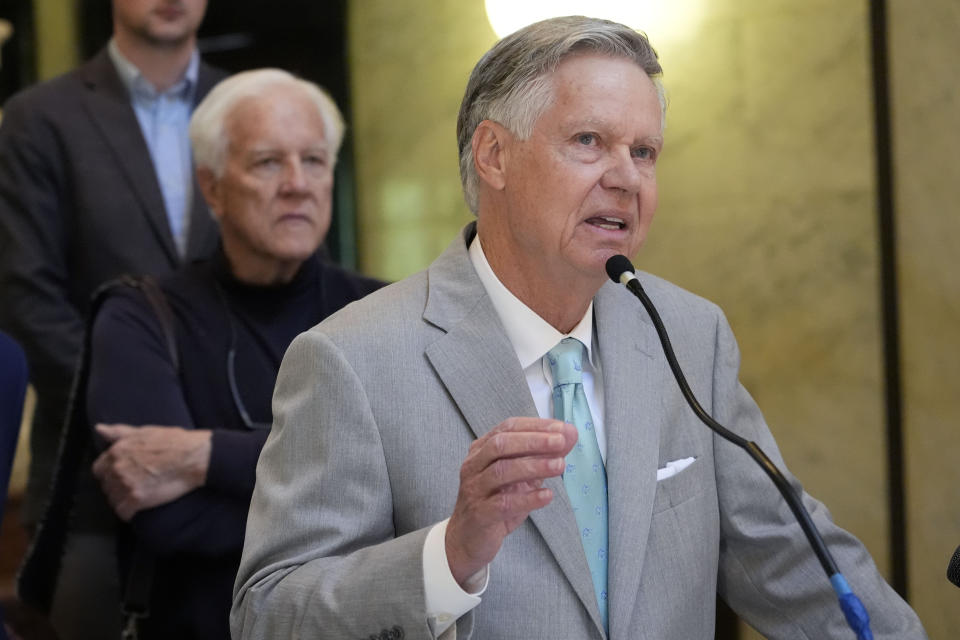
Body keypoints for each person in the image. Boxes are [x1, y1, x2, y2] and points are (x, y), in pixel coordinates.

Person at [231, 16, 927, 640]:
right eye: (590, 141)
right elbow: (267, 615)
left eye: (645, 152)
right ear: (494, 155)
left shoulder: (688, 333)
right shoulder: (352, 358)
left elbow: (787, 559)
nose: (626, 178)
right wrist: (449, 556)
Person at [80, 68, 385, 639]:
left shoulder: (383, 310)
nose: (296, 183)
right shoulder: (139, 317)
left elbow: (417, 487)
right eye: (268, 162)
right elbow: (167, 519)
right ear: (213, 187)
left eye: (314, 161)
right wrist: (350, 513)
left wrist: (208, 455)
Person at [0, 0, 223, 534]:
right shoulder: (39, 118)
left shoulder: (255, 105)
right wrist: (146, 422)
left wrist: (219, 442)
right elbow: (26, 297)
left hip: (240, 479)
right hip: (93, 482)